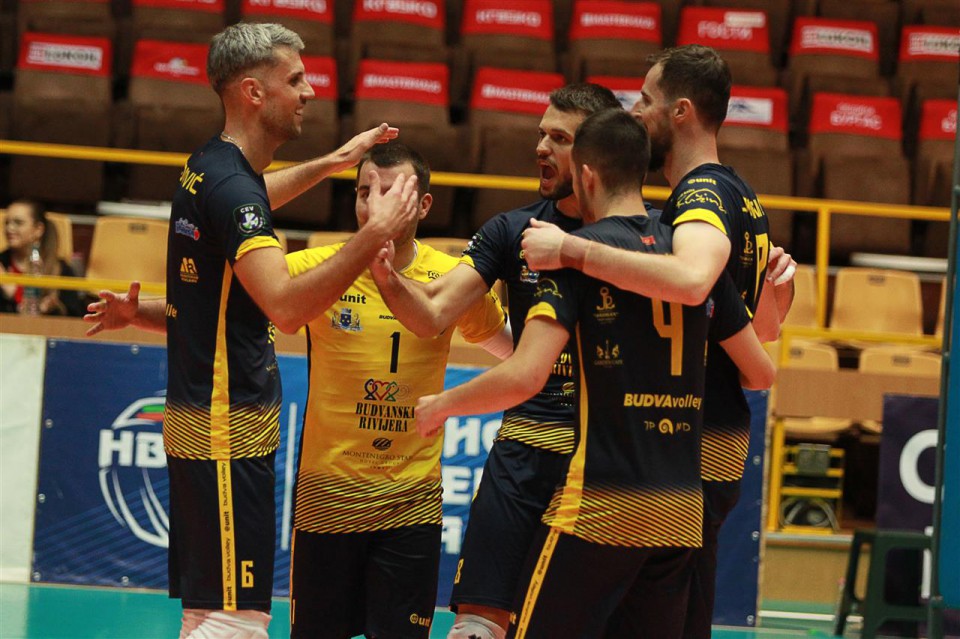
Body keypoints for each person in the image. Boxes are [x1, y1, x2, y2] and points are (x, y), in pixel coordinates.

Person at [83, 23, 420, 639]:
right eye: (295, 79)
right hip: (226, 428)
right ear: (253, 92)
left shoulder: (208, 169)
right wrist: (374, 233)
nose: (309, 92)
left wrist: (335, 163)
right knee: (237, 622)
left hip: (204, 423)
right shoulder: (231, 186)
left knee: (206, 613)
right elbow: (286, 308)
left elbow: (243, 213)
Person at [414, 108, 776, 639]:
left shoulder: (575, 258)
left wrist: (443, 405)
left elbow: (525, 375)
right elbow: (761, 372)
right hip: (679, 510)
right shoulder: (688, 259)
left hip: (600, 505)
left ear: (586, 175)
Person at [519, 44, 795, 638]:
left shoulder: (701, 198)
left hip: (685, 443)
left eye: (646, 100)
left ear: (681, 112)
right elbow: (761, 337)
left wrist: (570, 251)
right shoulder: (744, 194)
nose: (636, 112)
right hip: (712, 441)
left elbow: (693, 282)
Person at [371, 83, 623, 639]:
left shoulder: (646, 238)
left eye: (560, 138)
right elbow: (432, 312)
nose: (541, 147)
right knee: (475, 624)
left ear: (598, 151)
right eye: (541, 134)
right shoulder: (511, 229)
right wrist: (385, 272)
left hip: (605, 459)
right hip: (522, 453)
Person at [285, 142, 510, 639]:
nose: (374, 204)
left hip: (411, 506)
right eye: (365, 192)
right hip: (326, 503)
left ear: (423, 205)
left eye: (391, 192)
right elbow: (227, 316)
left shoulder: (453, 279)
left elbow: (514, 352)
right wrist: (138, 313)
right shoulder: (318, 268)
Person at [0, 199, 85, 316]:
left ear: (38, 229)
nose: (9, 228)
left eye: (18, 223)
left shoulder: (61, 269)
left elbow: (76, 315)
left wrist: (55, 309)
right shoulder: (2, 263)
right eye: (6, 223)